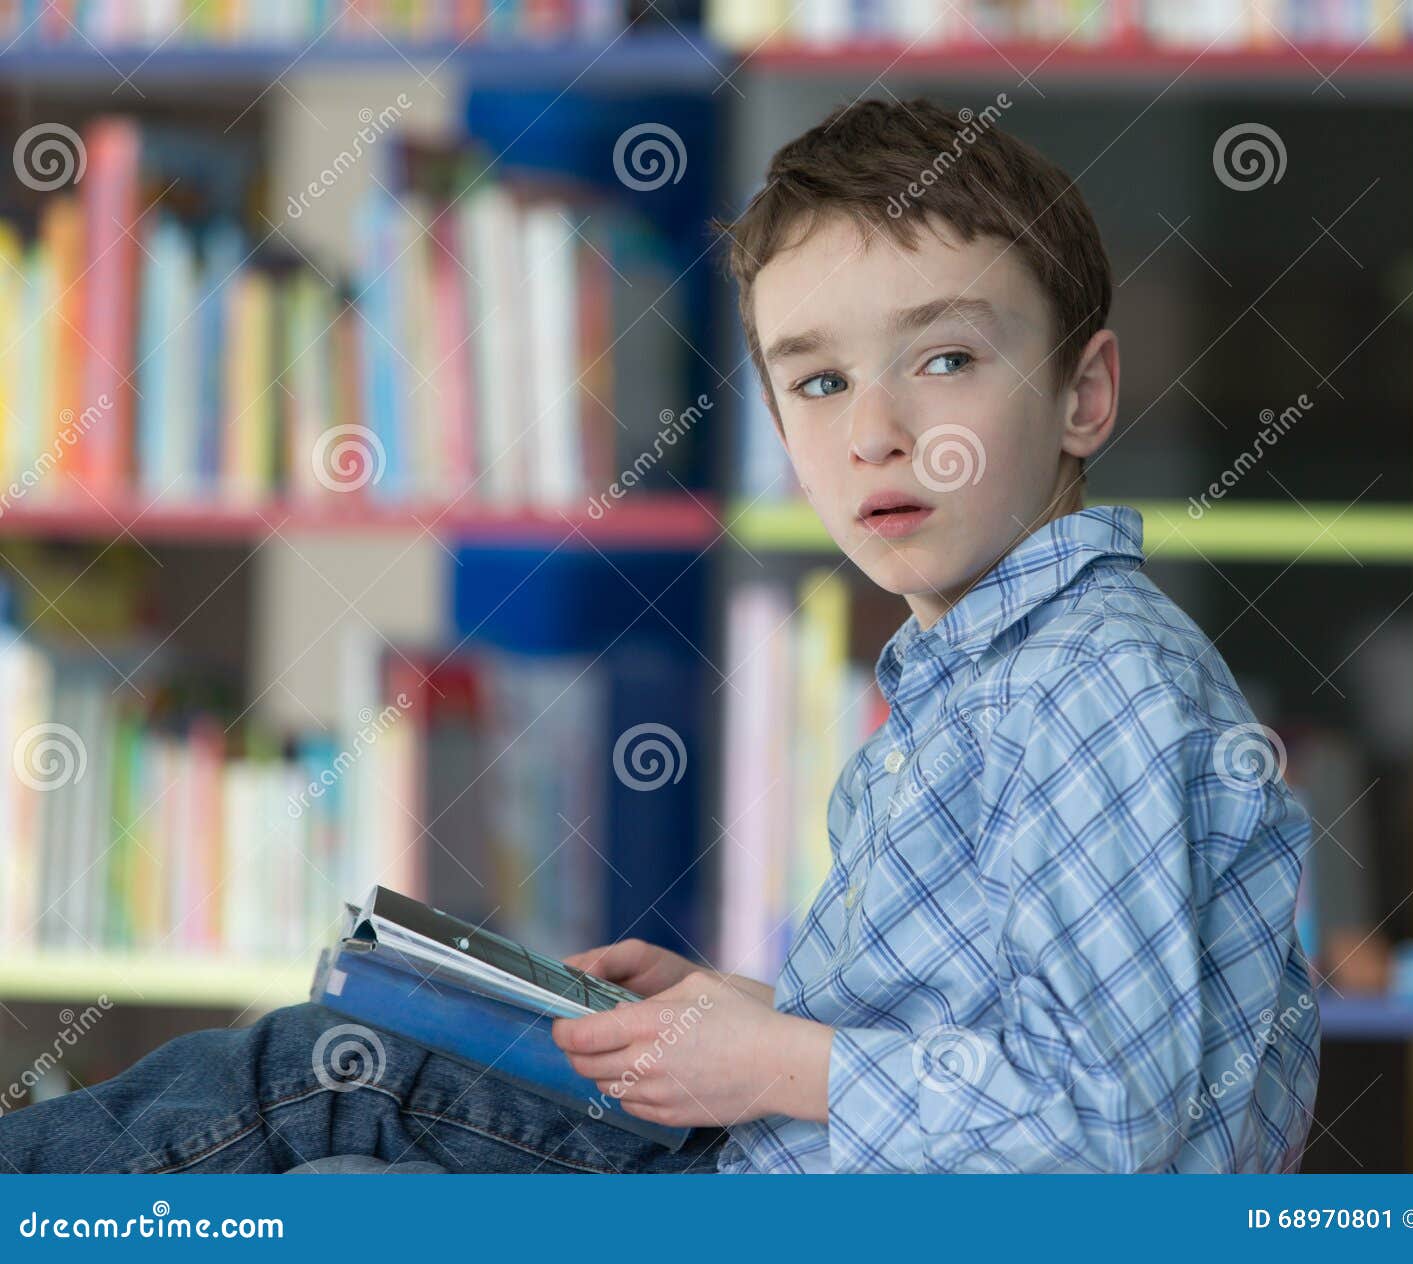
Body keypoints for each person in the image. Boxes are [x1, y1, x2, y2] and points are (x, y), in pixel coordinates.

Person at [0, 95, 1319, 1175]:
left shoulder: (1092, 685)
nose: (875, 430)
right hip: (801, 1170)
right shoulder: (990, 671)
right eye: (817, 379)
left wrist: (775, 1064)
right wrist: (743, 1018)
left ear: (1085, 395)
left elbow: (1105, 1119)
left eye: (946, 358)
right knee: (359, 1076)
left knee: (316, 1081)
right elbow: (958, 1042)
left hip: (809, 1202)